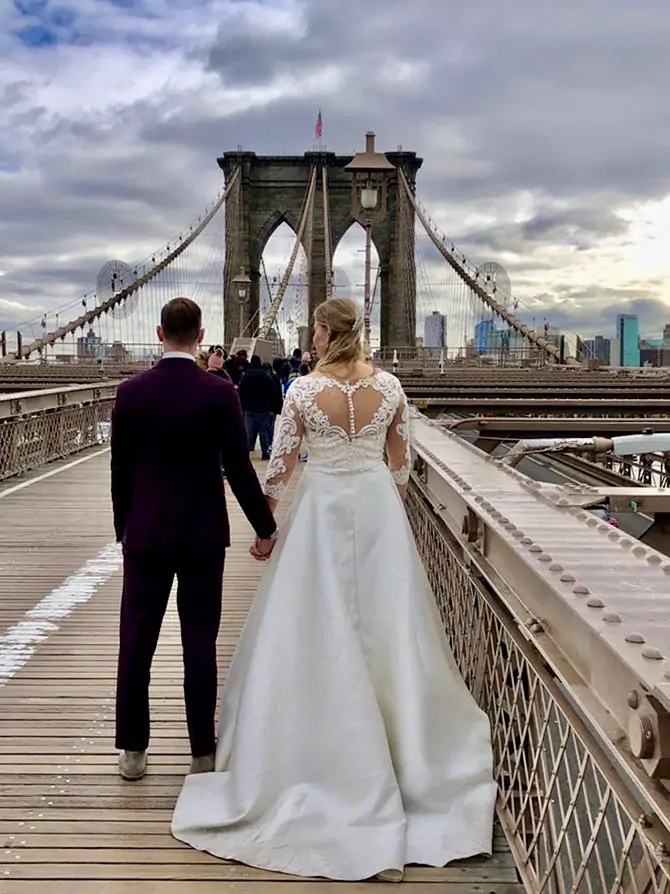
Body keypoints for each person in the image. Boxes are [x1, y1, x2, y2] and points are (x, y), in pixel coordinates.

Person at [171, 297, 496, 882]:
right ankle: (407, 753)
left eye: (318, 330)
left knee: (313, 622)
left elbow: (281, 468)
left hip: (321, 510)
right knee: (387, 627)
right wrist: (388, 516)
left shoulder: (302, 390)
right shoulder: (390, 388)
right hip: (376, 509)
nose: (315, 338)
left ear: (325, 332)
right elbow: (400, 468)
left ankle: (318, 753)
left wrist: (266, 528)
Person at [111, 297, 277, 783]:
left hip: (146, 535)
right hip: (203, 535)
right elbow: (240, 469)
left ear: (159, 333)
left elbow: (121, 470)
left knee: (136, 641)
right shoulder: (220, 393)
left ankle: (134, 751)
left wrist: (125, 527)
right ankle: (202, 750)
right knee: (199, 643)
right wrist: (265, 527)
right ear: (201, 336)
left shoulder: (130, 392)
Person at [237, 355, 276, 460]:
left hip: (249, 408)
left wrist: (242, 405)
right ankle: (265, 453)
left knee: (248, 432)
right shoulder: (266, 376)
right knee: (263, 431)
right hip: (263, 408)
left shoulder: (246, 375)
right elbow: (271, 392)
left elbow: (241, 392)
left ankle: (245, 453)